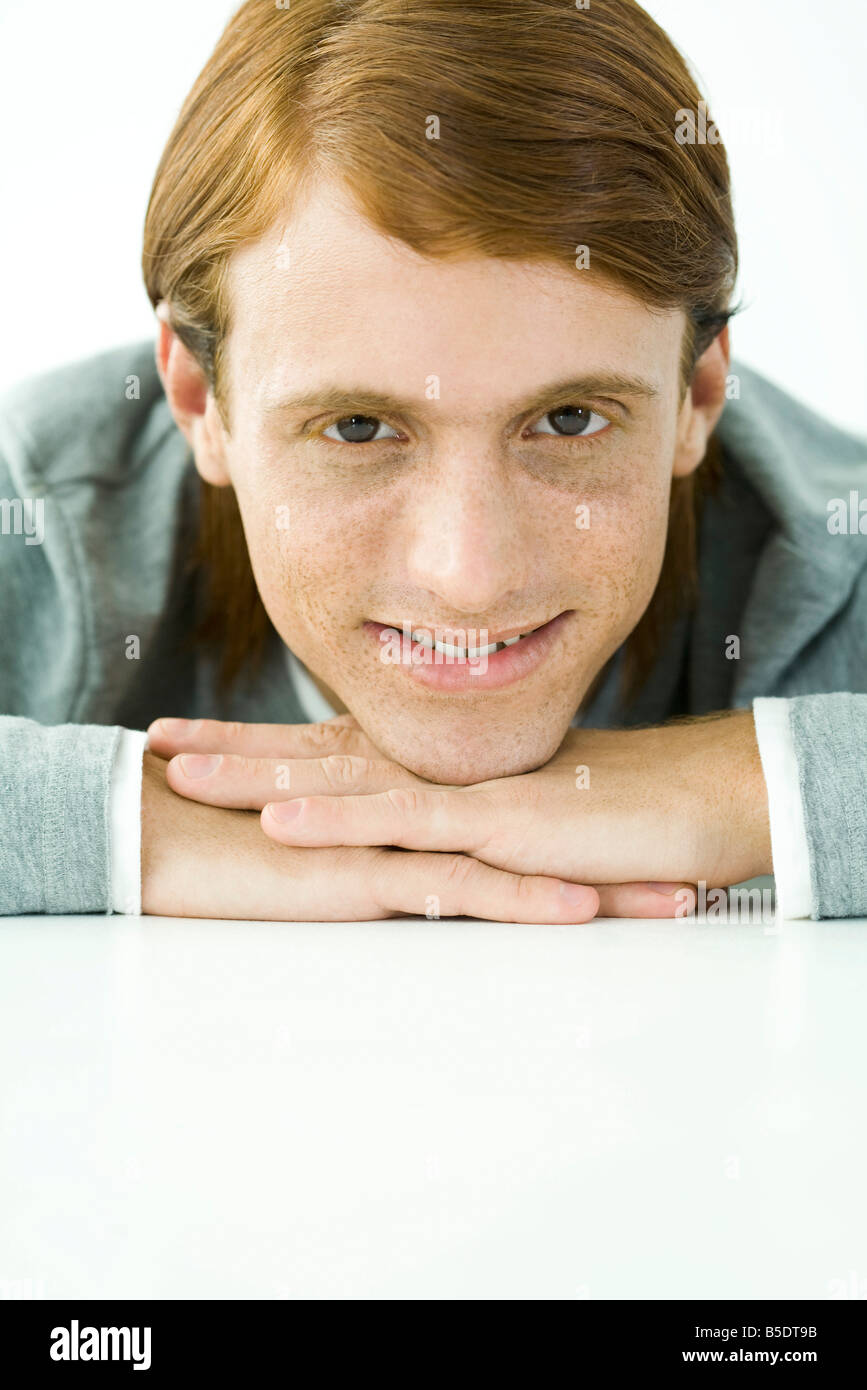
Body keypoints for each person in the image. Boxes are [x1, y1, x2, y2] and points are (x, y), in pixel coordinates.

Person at [1, 0, 864, 923]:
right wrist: (128, 825)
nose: (467, 577)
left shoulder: (829, 549)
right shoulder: (48, 505)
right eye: (359, 430)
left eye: (569, 420)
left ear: (698, 397)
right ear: (199, 403)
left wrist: (743, 786)